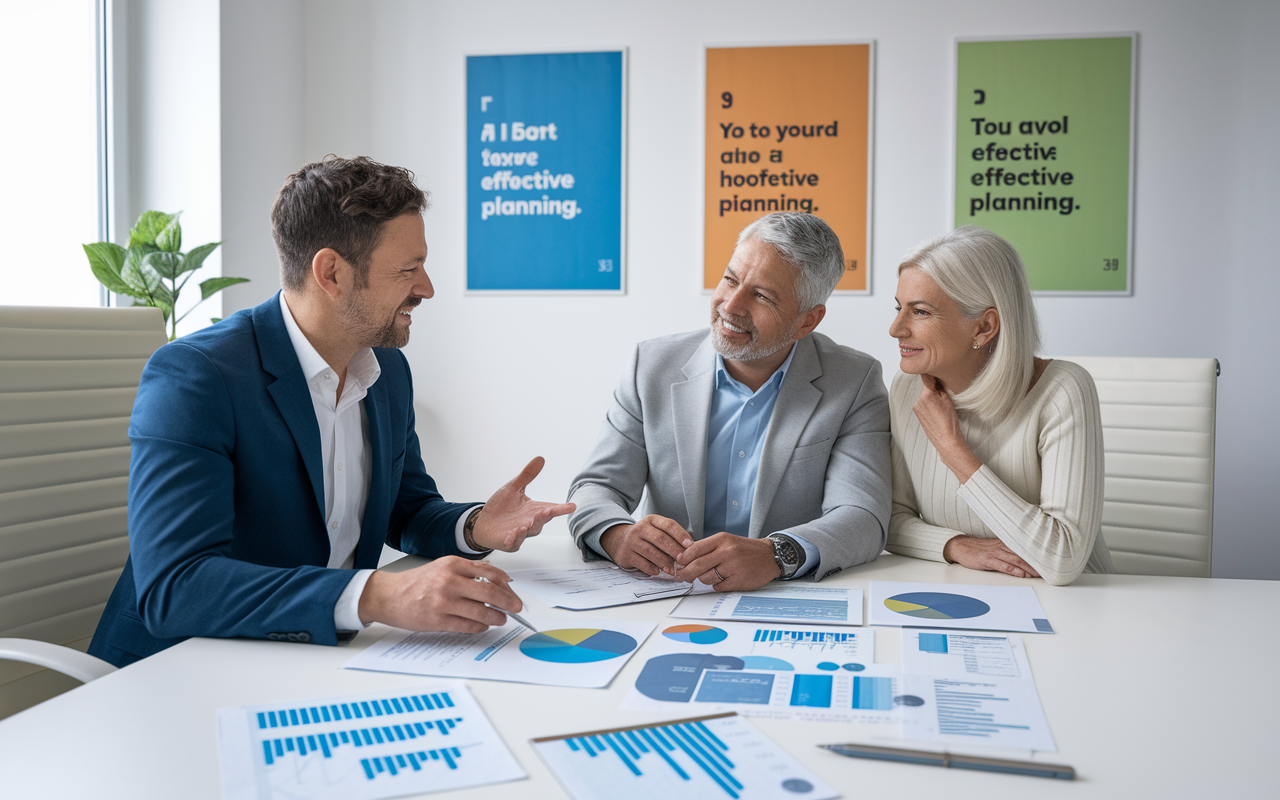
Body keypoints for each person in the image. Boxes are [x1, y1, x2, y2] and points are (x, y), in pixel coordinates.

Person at [89, 156, 574, 668]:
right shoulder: (197, 376)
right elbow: (176, 588)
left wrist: (474, 526)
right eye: (408, 269)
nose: (426, 287)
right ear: (332, 273)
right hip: (178, 672)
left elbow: (406, 511)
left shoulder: (386, 372)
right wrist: (379, 596)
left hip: (308, 661)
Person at [567, 212, 891, 591]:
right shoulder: (651, 365)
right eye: (730, 279)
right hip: (663, 592)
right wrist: (618, 535)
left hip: (782, 594)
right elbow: (595, 486)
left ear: (807, 321)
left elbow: (863, 516)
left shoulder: (854, 381)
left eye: (762, 296)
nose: (731, 306)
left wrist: (776, 554)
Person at [886, 225, 1114, 586]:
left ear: (984, 326)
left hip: (1080, 606)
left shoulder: (1063, 390)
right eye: (899, 308)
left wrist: (952, 448)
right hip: (968, 591)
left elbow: (1063, 559)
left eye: (921, 312)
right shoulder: (906, 388)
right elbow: (889, 519)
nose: (896, 328)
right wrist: (956, 546)